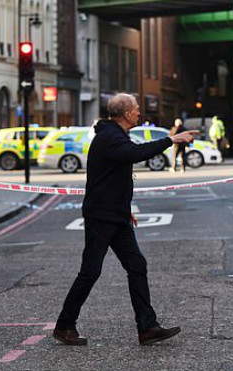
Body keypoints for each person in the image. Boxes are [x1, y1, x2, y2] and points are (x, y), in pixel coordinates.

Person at [54, 93, 198, 346]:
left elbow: (112, 176)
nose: (139, 112)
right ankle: (65, 325)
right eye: (136, 109)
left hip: (116, 213)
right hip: (102, 216)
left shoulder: (114, 135)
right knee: (90, 271)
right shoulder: (110, 137)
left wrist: (124, 206)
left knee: (136, 265)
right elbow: (133, 154)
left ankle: (147, 327)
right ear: (126, 114)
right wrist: (170, 139)